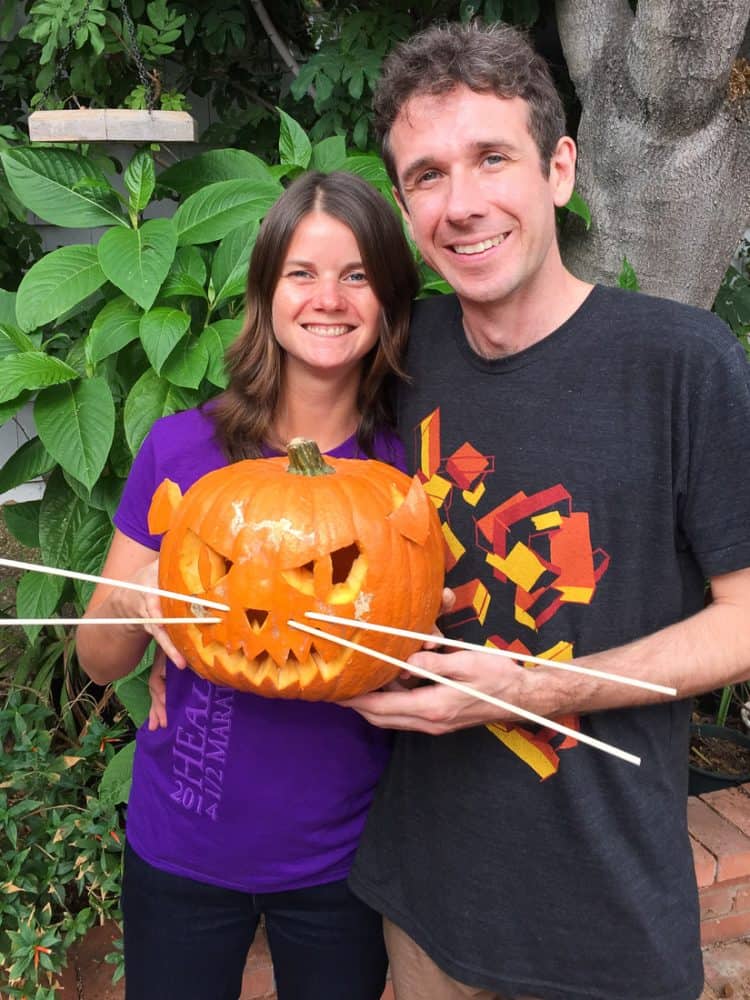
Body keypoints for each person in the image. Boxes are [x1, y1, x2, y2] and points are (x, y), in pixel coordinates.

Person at [342, 22, 750, 1000]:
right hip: (427, 901)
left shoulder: (680, 361)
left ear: (560, 169)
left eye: (493, 158)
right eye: (427, 174)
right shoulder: (397, 354)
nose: (463, 202)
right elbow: (281, 506)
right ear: (404, 203)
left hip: (605, 918)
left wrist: (531, 687)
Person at [76, 170, 420, 1000]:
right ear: (265, 291)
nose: (328, 298)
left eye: (357, 275)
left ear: (388, 300)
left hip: (343, 858)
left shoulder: (409, 473)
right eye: (301, 273)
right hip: (182, 845)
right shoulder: (181, 451)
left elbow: (416, 639)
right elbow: (97, 660)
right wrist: (137, 598)